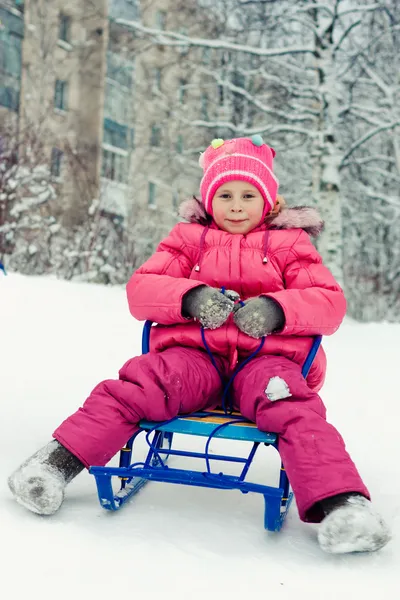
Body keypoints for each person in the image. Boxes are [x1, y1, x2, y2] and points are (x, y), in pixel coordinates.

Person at [8, 136, 390, 554]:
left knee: (292, 406)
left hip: (266, 362)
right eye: (225, 195)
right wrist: (190, 298)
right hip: (193, 358)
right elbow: (142, 290)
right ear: (209, 201)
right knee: (142, 383)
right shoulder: (188, 240)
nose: (237, 205)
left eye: (248, 195)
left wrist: (276, 309)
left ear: (269, 203)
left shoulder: (289, 244)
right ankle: (54, 465)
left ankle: (344, 504)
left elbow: (329, 303)